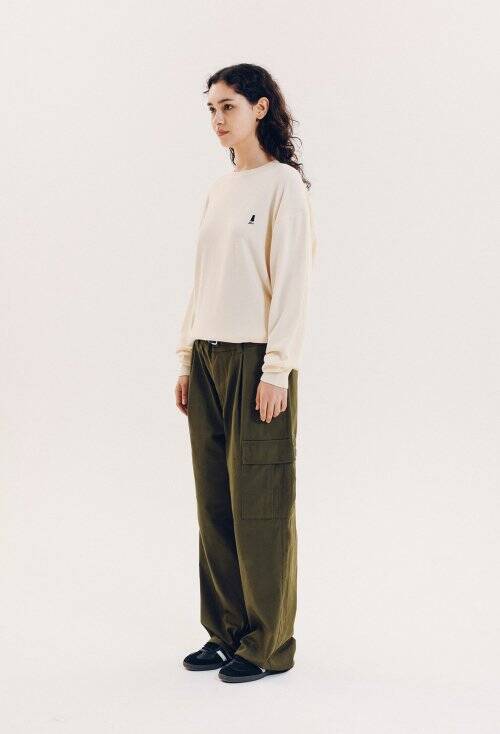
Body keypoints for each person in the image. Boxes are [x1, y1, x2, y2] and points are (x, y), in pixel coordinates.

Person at [174, 63, 317, 684]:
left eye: (228, 106)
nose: (217, 119)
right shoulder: (219, 189)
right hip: (208, 356)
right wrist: (186, 357)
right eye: (211, 108)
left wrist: (276, 369)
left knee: (260, 503)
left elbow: (293, 284)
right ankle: (226, 631)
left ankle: (268, 643)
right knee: (215, 503)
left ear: (260, 108)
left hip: (257, 360)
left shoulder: (284, 187)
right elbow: (202, 278)